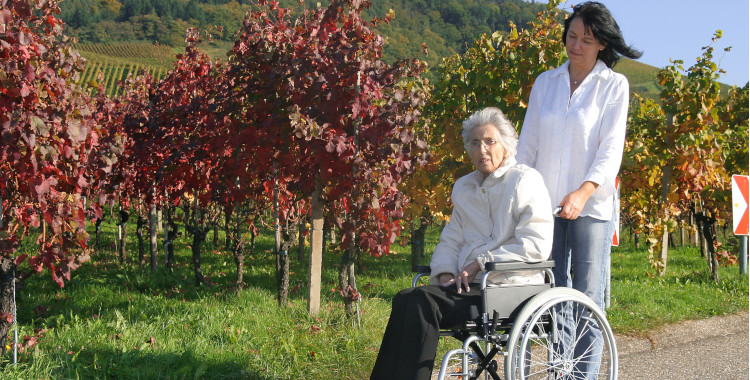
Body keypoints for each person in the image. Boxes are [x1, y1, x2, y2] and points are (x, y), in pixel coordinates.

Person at [370, 107, 554, 380]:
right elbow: (452, 237)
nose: (482, 149)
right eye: (475, 143)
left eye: (490, 141)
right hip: (471, 286)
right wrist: (444, 271)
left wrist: (480, 264)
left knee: (422, 302)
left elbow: (535, 246)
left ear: (506, 144)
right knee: (405, 298)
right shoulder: (464, 187)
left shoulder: (525, 180)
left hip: (509, 287)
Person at [515, 1, 642, 377]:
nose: (576, 45)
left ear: (602, 43)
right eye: (572, 36)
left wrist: (583, 192)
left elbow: (610, 150)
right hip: (546, 206)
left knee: (588, 297)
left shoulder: (614, 85)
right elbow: (528, 144)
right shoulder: (545, 82)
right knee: (553, 294)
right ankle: (560, 370)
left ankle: (583, 375)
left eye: (587, 39)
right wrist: (519, 191)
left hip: (592, 207)